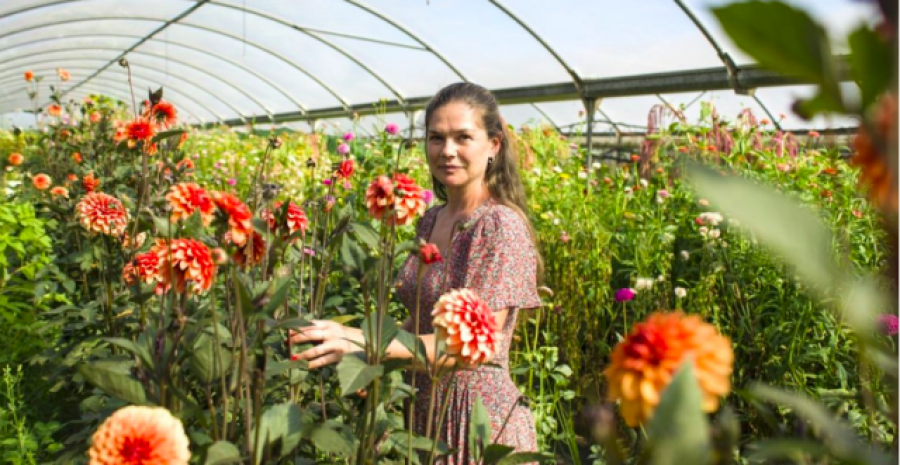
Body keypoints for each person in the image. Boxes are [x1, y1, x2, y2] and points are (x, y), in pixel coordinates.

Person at [290, 82, 543, 463]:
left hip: (474, 422)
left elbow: (471, 349)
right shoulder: (430, 220)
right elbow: (423, 316)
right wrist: (375, 360)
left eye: (463, 137)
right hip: (423, 410)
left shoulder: (498, 226)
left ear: (493, 145)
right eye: (436, 138)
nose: (448, 151)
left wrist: (362, 342)